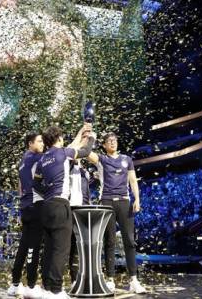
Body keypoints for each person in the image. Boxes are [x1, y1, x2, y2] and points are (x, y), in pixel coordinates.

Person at [33, 123, 96, 299]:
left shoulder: (42, 159)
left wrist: (48, 193)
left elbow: (35, 183)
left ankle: (47, 288)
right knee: (61, 250)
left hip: (46, 207)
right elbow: (84, 152)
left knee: (49, 249)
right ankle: (57, 290)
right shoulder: (63, 153)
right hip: (61, 205)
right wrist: (91, 138)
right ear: (60, 139)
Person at [96, 132, 146, 294]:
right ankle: (110, 279)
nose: (112, 142)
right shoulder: (101, 159)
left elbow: (132, 180)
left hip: (125, 201)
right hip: (107, 201)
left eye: (114, 140)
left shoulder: (127, 159)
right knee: (109, 240)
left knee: (130, 241)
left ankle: (133, 280)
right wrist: (87, 134)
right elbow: (86, 153)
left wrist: (137, 199)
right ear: (103, 145)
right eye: (109, 141)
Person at [7, 132, 46, 298]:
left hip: (25, 207)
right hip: (34, 206)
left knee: (23, 247)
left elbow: (20, 186)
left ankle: (15, 284)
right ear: (30, 143)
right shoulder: (35, 158)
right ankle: (30, 285)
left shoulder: (23, 160)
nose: (43, 143)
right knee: (33, 247)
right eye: (39, 141)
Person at [67, 159, 91, 284]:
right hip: (72, 208)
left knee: (81, 245)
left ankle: (82, 277)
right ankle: (73, 278)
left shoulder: (85, 170)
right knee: (70, 244)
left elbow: (86, 191)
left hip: (85, 208)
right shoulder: (68, 167)